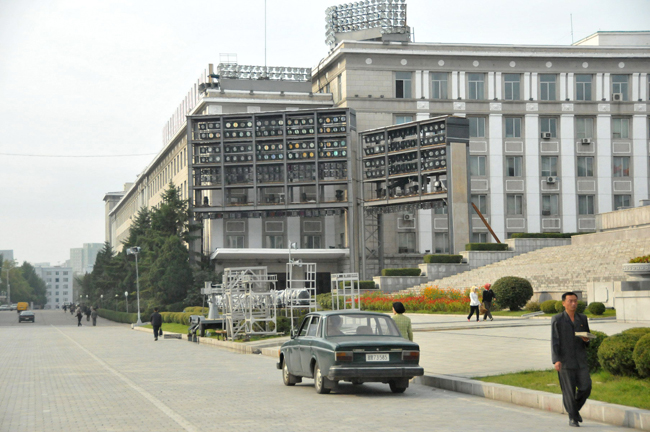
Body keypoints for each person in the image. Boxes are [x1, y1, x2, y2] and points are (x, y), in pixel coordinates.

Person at [551, 292, 592, 427]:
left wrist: (586, 340)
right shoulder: (557, 319)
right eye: (570, 301)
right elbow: (555, 340)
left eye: (575, 301)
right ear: (563, 303)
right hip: (565, 360)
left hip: (580, 360)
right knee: (569, 391)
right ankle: (573, 418)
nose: (573, 304)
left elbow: (587, 338)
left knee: (586, 387)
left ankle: (574, 411)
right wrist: (556, 359)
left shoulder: (582, 318)